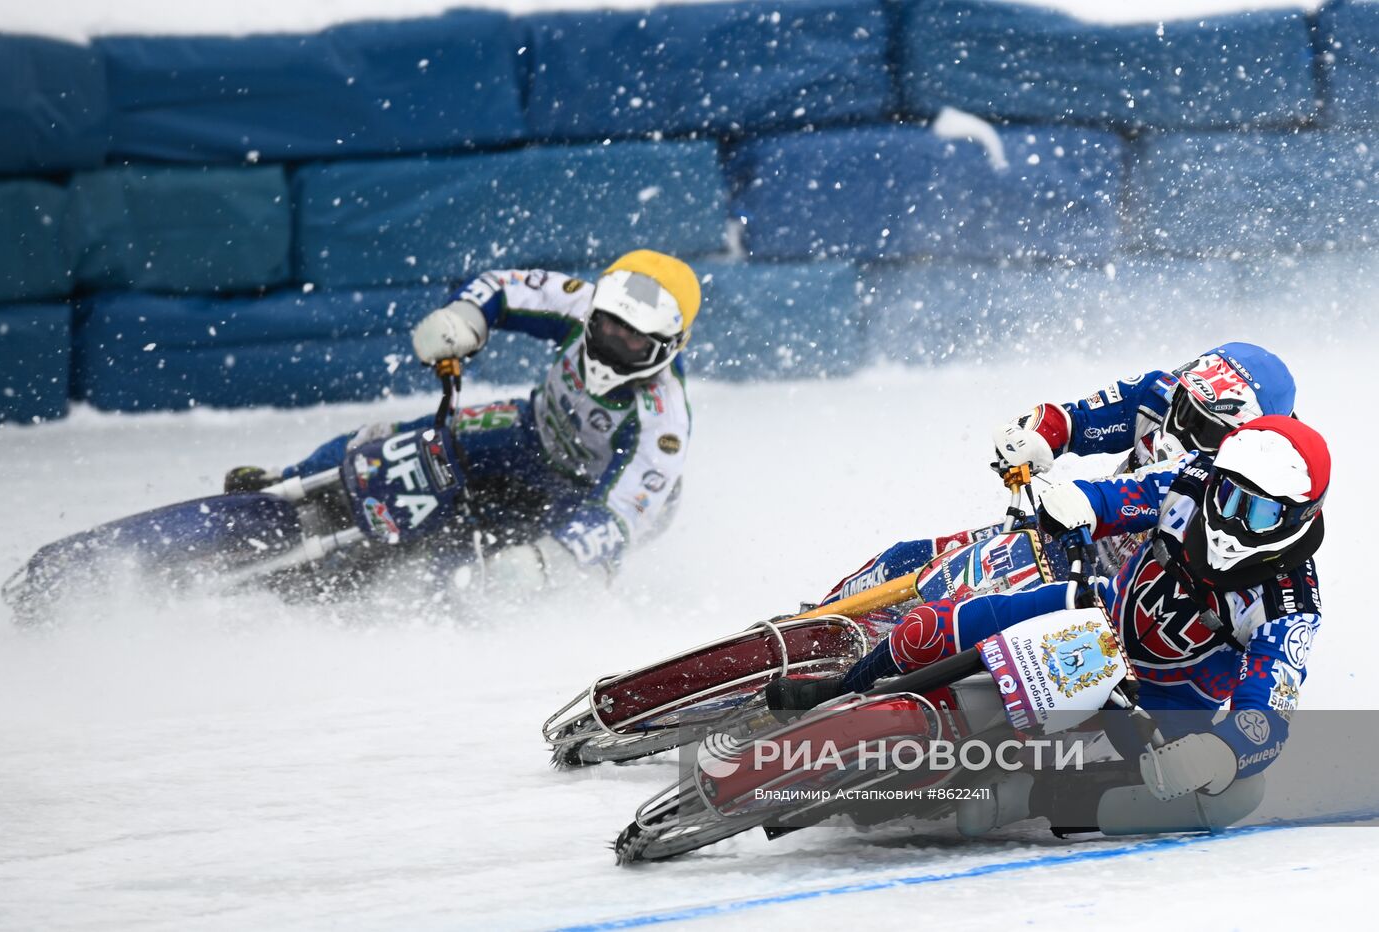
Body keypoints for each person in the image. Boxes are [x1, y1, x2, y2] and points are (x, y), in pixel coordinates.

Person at [773, 415, 1329, 836]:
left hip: (1156, 708)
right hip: (1096, 612)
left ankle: (1034, 798)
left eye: (1254, 513)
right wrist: (1073, 503)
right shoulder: (1191, 479)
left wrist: (1222, 752)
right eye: (1225, 494)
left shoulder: (1292, 603)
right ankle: (841, 690)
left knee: (1236, 795)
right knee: (933, 625)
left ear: (1295, 518)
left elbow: (1267, 716)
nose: (1227, 517)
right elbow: (1108, 498)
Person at [225, 250, 701, 591]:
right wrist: (464, 318)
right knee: (401, 437)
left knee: (489, 570)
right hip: (532, 430)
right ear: (596, 309)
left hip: (587, 496)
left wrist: (549, 558)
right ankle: (291, 481)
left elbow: (621, 517)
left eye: (633, 341)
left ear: (668, 347)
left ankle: (403, 593)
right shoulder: (583, 302)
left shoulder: (664, 422)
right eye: (607, 327)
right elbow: (503, 286)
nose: (612, 344)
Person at [819, 342, 1297, 604]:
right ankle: (810, 626)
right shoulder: (1157, 392)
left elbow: (1147, 495)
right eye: (1187, 407)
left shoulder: (1250, 487)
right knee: (907, 560)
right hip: (1064, 540)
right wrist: (1036, 434)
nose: (1182, 428)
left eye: (1208, 426)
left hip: (1130, 601)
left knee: (966, 617)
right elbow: (1076, 420)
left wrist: (1088, 500)